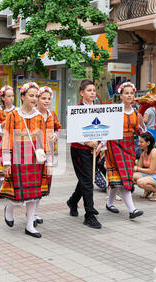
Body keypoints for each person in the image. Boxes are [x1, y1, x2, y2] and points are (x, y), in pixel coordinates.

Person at [0, 82, 51, 238]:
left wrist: (48, 162)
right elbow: (7, 137)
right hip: (18, 158)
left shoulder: (39, 116)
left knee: (34, 194)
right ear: (22, 97)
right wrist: (7, 162)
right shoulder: (13, 115)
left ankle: (30, 225)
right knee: (18, 197)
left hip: (35, 159)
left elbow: (44, 140)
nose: (34, 98)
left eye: (36, 95)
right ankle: (9, 208)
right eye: (31, 95)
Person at [105, 82, 146, 220]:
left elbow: (140, 132)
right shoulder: (114, 110)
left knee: (120, 177)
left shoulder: (136, 112)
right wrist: (101, 145)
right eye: (126, 93)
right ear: (121, 95)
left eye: (131, 93)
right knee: (123, 177)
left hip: (129, 146)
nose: (129, 96)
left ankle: (109, 203)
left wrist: (141, 124)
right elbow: (107, 128)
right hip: (115, 144)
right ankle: (132, 210)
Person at [66, 80, 103, 229]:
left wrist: (101, 144)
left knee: (87, 179)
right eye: (89, 90)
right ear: (82, 93)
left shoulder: (99, 109)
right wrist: (87, 143)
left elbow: (103, 129)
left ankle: (73, 201)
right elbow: (73, 132)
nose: (92, 93)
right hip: (80, 150)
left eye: (94, 90)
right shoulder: (76, 110)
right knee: (88, 181)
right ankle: (89, 214)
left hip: (95, 150)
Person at [34, 86, 61, 226]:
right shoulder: (32, 114)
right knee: (34, 181)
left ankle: (35, 212)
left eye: (49, 98)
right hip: (33, 154)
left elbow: (58, 128)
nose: (46, 101)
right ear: (37, 99)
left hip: (48, 153)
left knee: (44, 181)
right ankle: (30, 213)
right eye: (43, 98)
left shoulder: (52, 114)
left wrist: (56, 136)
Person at [0, 85, 15, 198]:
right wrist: (2, 125)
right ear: (3, 98)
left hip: (14, 142)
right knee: (3, 165)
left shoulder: (16, 111)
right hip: (2, 141)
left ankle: (7, 189)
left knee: (13, 165)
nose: (11, 98)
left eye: (13, 96)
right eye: (9, 96)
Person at [133, 132, 156, 201]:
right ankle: (148, 190)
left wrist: (136, 168)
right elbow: (139, 168)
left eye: (141, 142)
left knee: (140, 182)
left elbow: (151, 170)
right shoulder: (143, 152)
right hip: (150, 175)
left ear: (148, 143)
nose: (139, 144)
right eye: (139, 141)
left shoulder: (154, 152)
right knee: (132, 176)